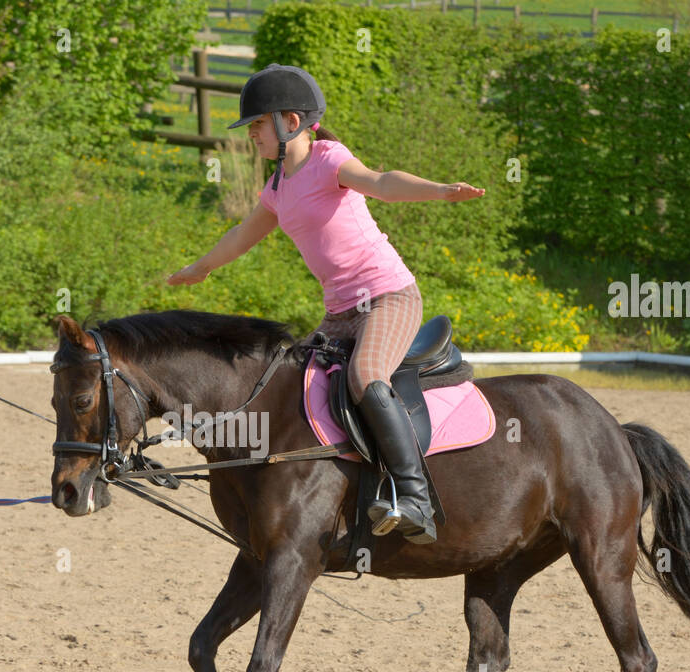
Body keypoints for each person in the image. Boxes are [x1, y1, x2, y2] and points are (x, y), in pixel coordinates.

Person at [167, 64, 485, 545]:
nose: (250, 134)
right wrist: (203, 267)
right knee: (288, 383)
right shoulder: (277, 188)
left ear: (289, 122)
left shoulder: (328, 159)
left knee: (364, 378)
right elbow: (242, 234)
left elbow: (381, 183)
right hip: (340, 313)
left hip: (388, 297)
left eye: (256, 124)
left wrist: (439, 191)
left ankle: (413, 496)